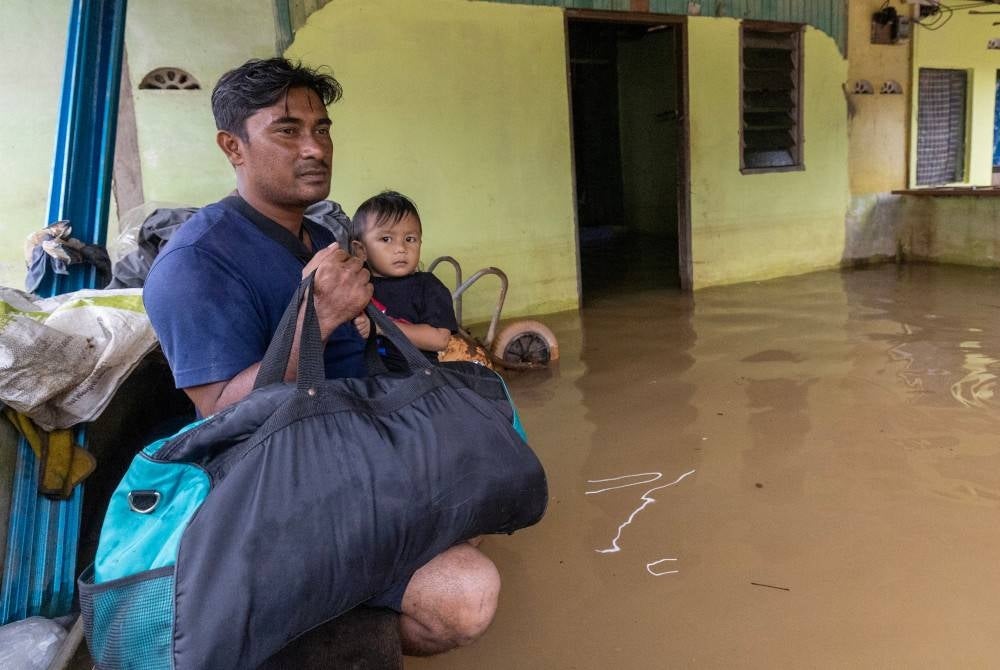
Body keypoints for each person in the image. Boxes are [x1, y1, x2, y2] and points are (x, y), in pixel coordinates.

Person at [143, 57, 499, 656]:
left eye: (323, 128)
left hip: (353, 447)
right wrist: (320, 318)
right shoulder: (198, 263)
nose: (314, 147)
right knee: (466, 595)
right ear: (233, 146)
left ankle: (367, 583)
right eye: (287, 130)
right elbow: (219, 418)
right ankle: (337, 624)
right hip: (284, 487)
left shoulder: (319, 237)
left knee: (488, 469)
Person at [349, 191, 458, 368]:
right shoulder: (355, 286)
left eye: (410, 239)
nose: (401, 248)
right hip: (367, 382)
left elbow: (440, 339)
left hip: (418, 379)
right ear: (361, 250)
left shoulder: (427, 286)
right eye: (386, 239)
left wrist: (382, 327)